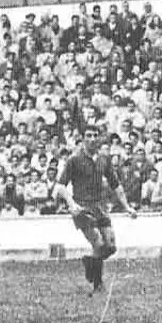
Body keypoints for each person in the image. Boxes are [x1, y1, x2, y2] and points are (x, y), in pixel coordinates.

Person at [54, 126, 138, 294]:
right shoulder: (74, 159)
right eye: (88, 136)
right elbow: (60, 187)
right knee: (98, 243)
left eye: (95, 135)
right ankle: (98, 284)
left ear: (99, 139)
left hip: (100, 206)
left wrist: (127, 206)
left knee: (111, 246)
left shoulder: (103, 159)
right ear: (83, 138)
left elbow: (116, 185)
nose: (92, 139)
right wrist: (72, 204)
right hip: (82, 207)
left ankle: (90, 261)